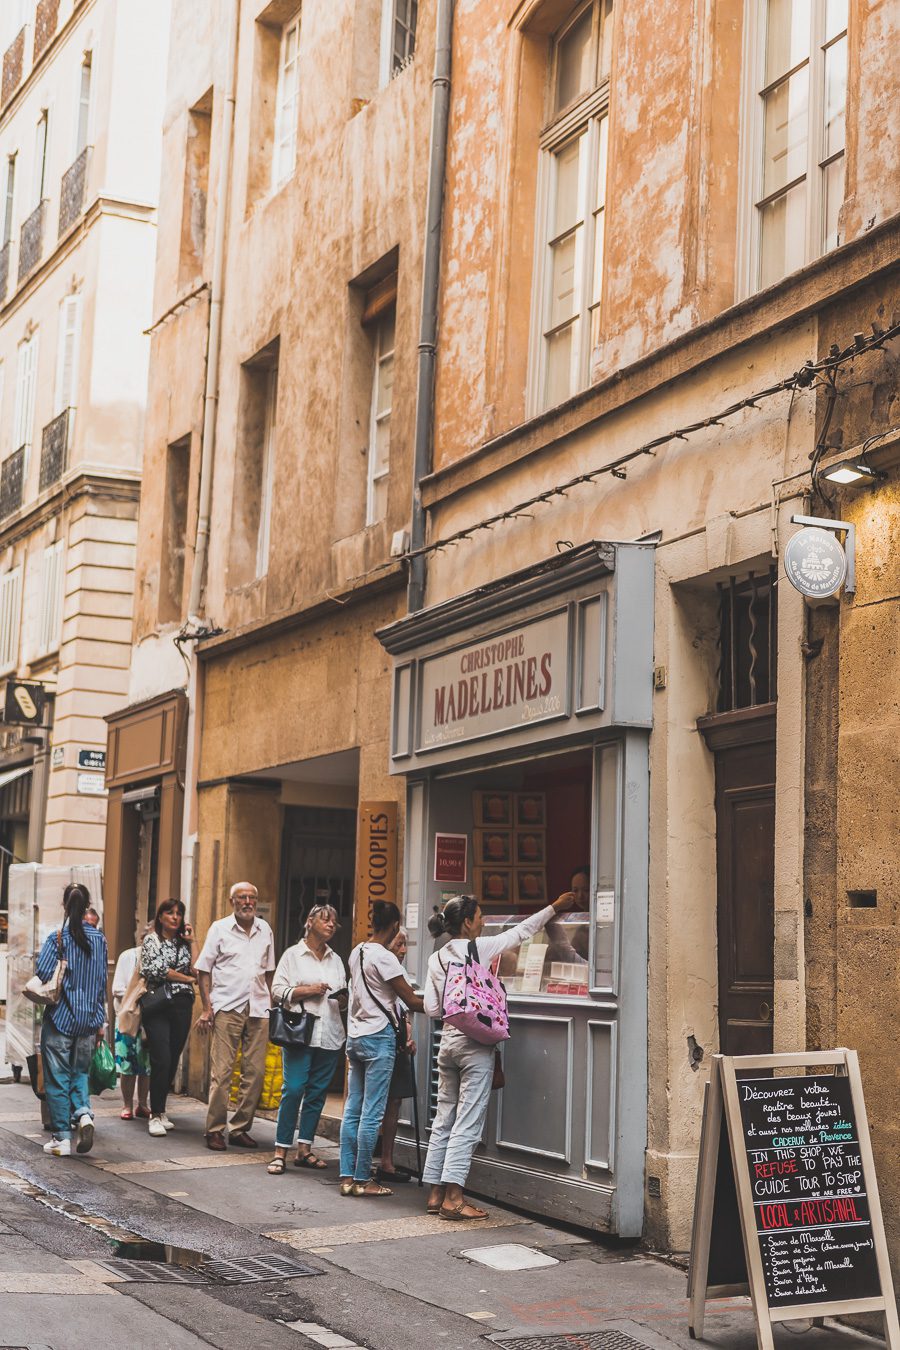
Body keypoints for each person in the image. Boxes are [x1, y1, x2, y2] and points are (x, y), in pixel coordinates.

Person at [421, 889, 576, 1220]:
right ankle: (454, 1199)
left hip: (447, 1044)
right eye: (480, 917)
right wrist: (554, 907)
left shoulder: (435, 957)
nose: (483, 922)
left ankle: (434, 1193)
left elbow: (432, 1008)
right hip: (475, 1045)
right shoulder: (477, 948)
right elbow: (521, 932)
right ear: (467, 922)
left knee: (444, 1117)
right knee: (468, 1120)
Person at [339, 900, 424, 1197]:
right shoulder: (385, 958)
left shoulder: (356, 952)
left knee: (352, 1110)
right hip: (378, 1038)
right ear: (395, 926)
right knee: (372, 1113)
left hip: (356, 1037)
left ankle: (347, 1177)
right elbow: (411, 1001)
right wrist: (448, 1006)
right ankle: (364, 1180)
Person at [267, 904, 347, 1176]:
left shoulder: (336, 959)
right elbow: (277, 991)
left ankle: (305, 1148)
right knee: (294, 1089)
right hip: (300, 1034)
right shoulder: (293, 955)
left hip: (330, 1033)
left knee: (316, 1093)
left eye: (334, 921)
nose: (331, 924)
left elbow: (342, 997)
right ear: (309, 921)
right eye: (326, 919)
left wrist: (344, 1000)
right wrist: (308, 991)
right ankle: (280, 1150)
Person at [195, 882, 275, 1151]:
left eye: (252, 897)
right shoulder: (219, 928)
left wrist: (272, 1003)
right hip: (227, 1007)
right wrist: (207, 1008)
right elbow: (203, 970)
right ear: (232, 901)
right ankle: (214, 1130)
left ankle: (240, 1128)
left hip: (259, 1008)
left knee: (256, 1073)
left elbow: (269, 971)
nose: (248, 902)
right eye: (242, 897)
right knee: (222, 1074)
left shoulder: (265, 930)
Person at [36, 882, 108, 1157]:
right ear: (88, 905)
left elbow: (43, 973)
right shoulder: (99, 939)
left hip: (60, 1019)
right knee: (79, 1072)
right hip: (88, 1021)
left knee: (57, 1078)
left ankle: (62, 1138)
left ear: (65, 905)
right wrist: (101, 1021)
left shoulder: (58, 937)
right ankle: (84, 1114)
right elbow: (102, 982)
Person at [140, 900, 199, 1137]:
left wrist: (193, 941)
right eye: (169, 913)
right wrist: (185, 979)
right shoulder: (151, 940)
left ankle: (162, 1110)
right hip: (157, 1003)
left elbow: (197, 968)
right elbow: (155, 970)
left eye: (179, 914)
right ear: (160, 916)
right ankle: (154, 1115)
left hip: (182, 1005)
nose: (174, 917)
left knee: (173, 1057)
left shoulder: (183, 944)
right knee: (161, 1057)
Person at [376, 926, 416, 1184]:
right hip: (377, 1042)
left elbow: (405, 1013)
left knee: (394, 1103)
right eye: (398, 944)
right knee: (372, 1103)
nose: (402, 950)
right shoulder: (375, 969)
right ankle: (358, 1163)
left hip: (398, 1045)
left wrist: (408, 1035)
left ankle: (386, 1162)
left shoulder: (405, 977)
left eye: (405, 945)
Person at [111, 924, 152, 1119]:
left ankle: (142, 1104)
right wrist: (138, 994)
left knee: (147, 1065)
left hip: (150, 1019)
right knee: (127, 1065)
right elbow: (117, 988)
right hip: (128, 1018)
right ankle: (127, 1105)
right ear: (142, 939)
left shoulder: (160, 960)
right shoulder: (128, 956)